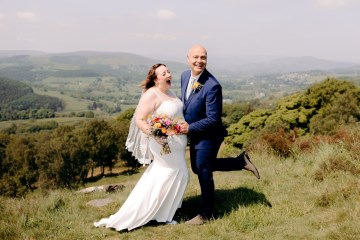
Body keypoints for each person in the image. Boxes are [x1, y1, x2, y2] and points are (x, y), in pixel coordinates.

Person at [94, 63, 189, 231]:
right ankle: (154, 213)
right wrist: (155, 134)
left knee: (177, 174)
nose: (168, 74)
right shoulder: (151, 95)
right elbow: (140, 120)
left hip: (177, 142)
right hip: (162, 143)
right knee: (170, 173)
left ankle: (164, 213)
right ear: (155, 79)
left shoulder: (171, 92)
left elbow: (176, 115)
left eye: (168, 71)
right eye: (163, 73)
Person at [179, 44, 260, 225]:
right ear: (188, 58)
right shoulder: (185, 76)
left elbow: (213, 119)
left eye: (203, 58)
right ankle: (240, 162)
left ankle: (206, 214)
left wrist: (189, 128)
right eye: (196, 57)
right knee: (198, 167)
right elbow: (187, 103)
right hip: (195, 134)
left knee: (203, 171)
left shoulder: (213, 85)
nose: (199, 61)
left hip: (209, 135)